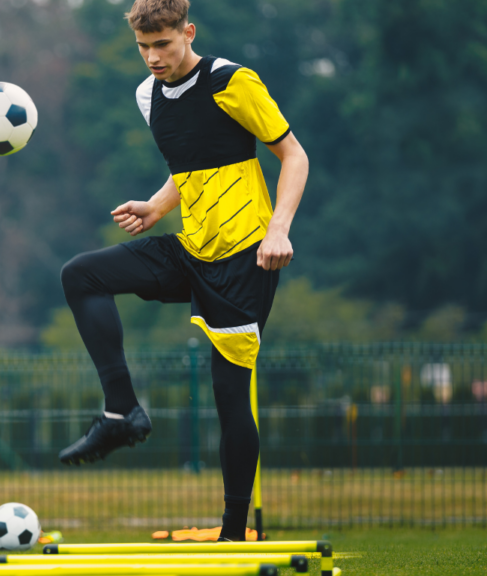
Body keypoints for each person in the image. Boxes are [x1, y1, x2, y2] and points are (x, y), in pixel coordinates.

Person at [56, 0, 308, 543]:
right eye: (143, 47)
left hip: (246, 257)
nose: (152, 57)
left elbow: (293, 156)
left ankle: (234, 533)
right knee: (82, 275)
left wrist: (279, 229)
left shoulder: (232, 82)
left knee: (229, 395)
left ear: (187, 33)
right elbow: (192, 169)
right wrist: (154, 206)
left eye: (163, 44)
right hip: (190, 249)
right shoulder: (148, 96)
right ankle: (121, 412)